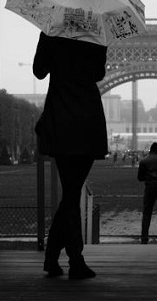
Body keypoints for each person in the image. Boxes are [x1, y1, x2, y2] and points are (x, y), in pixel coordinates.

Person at [33, 31, 108, 280]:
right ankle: (71, 259)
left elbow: (39, 71)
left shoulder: (52, 31)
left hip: (61, 119)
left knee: (71, 193)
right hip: (87, 120)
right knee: (72, 192)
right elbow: (98, 74)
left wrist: (47, 42)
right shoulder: (97, 33)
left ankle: (58, 258)